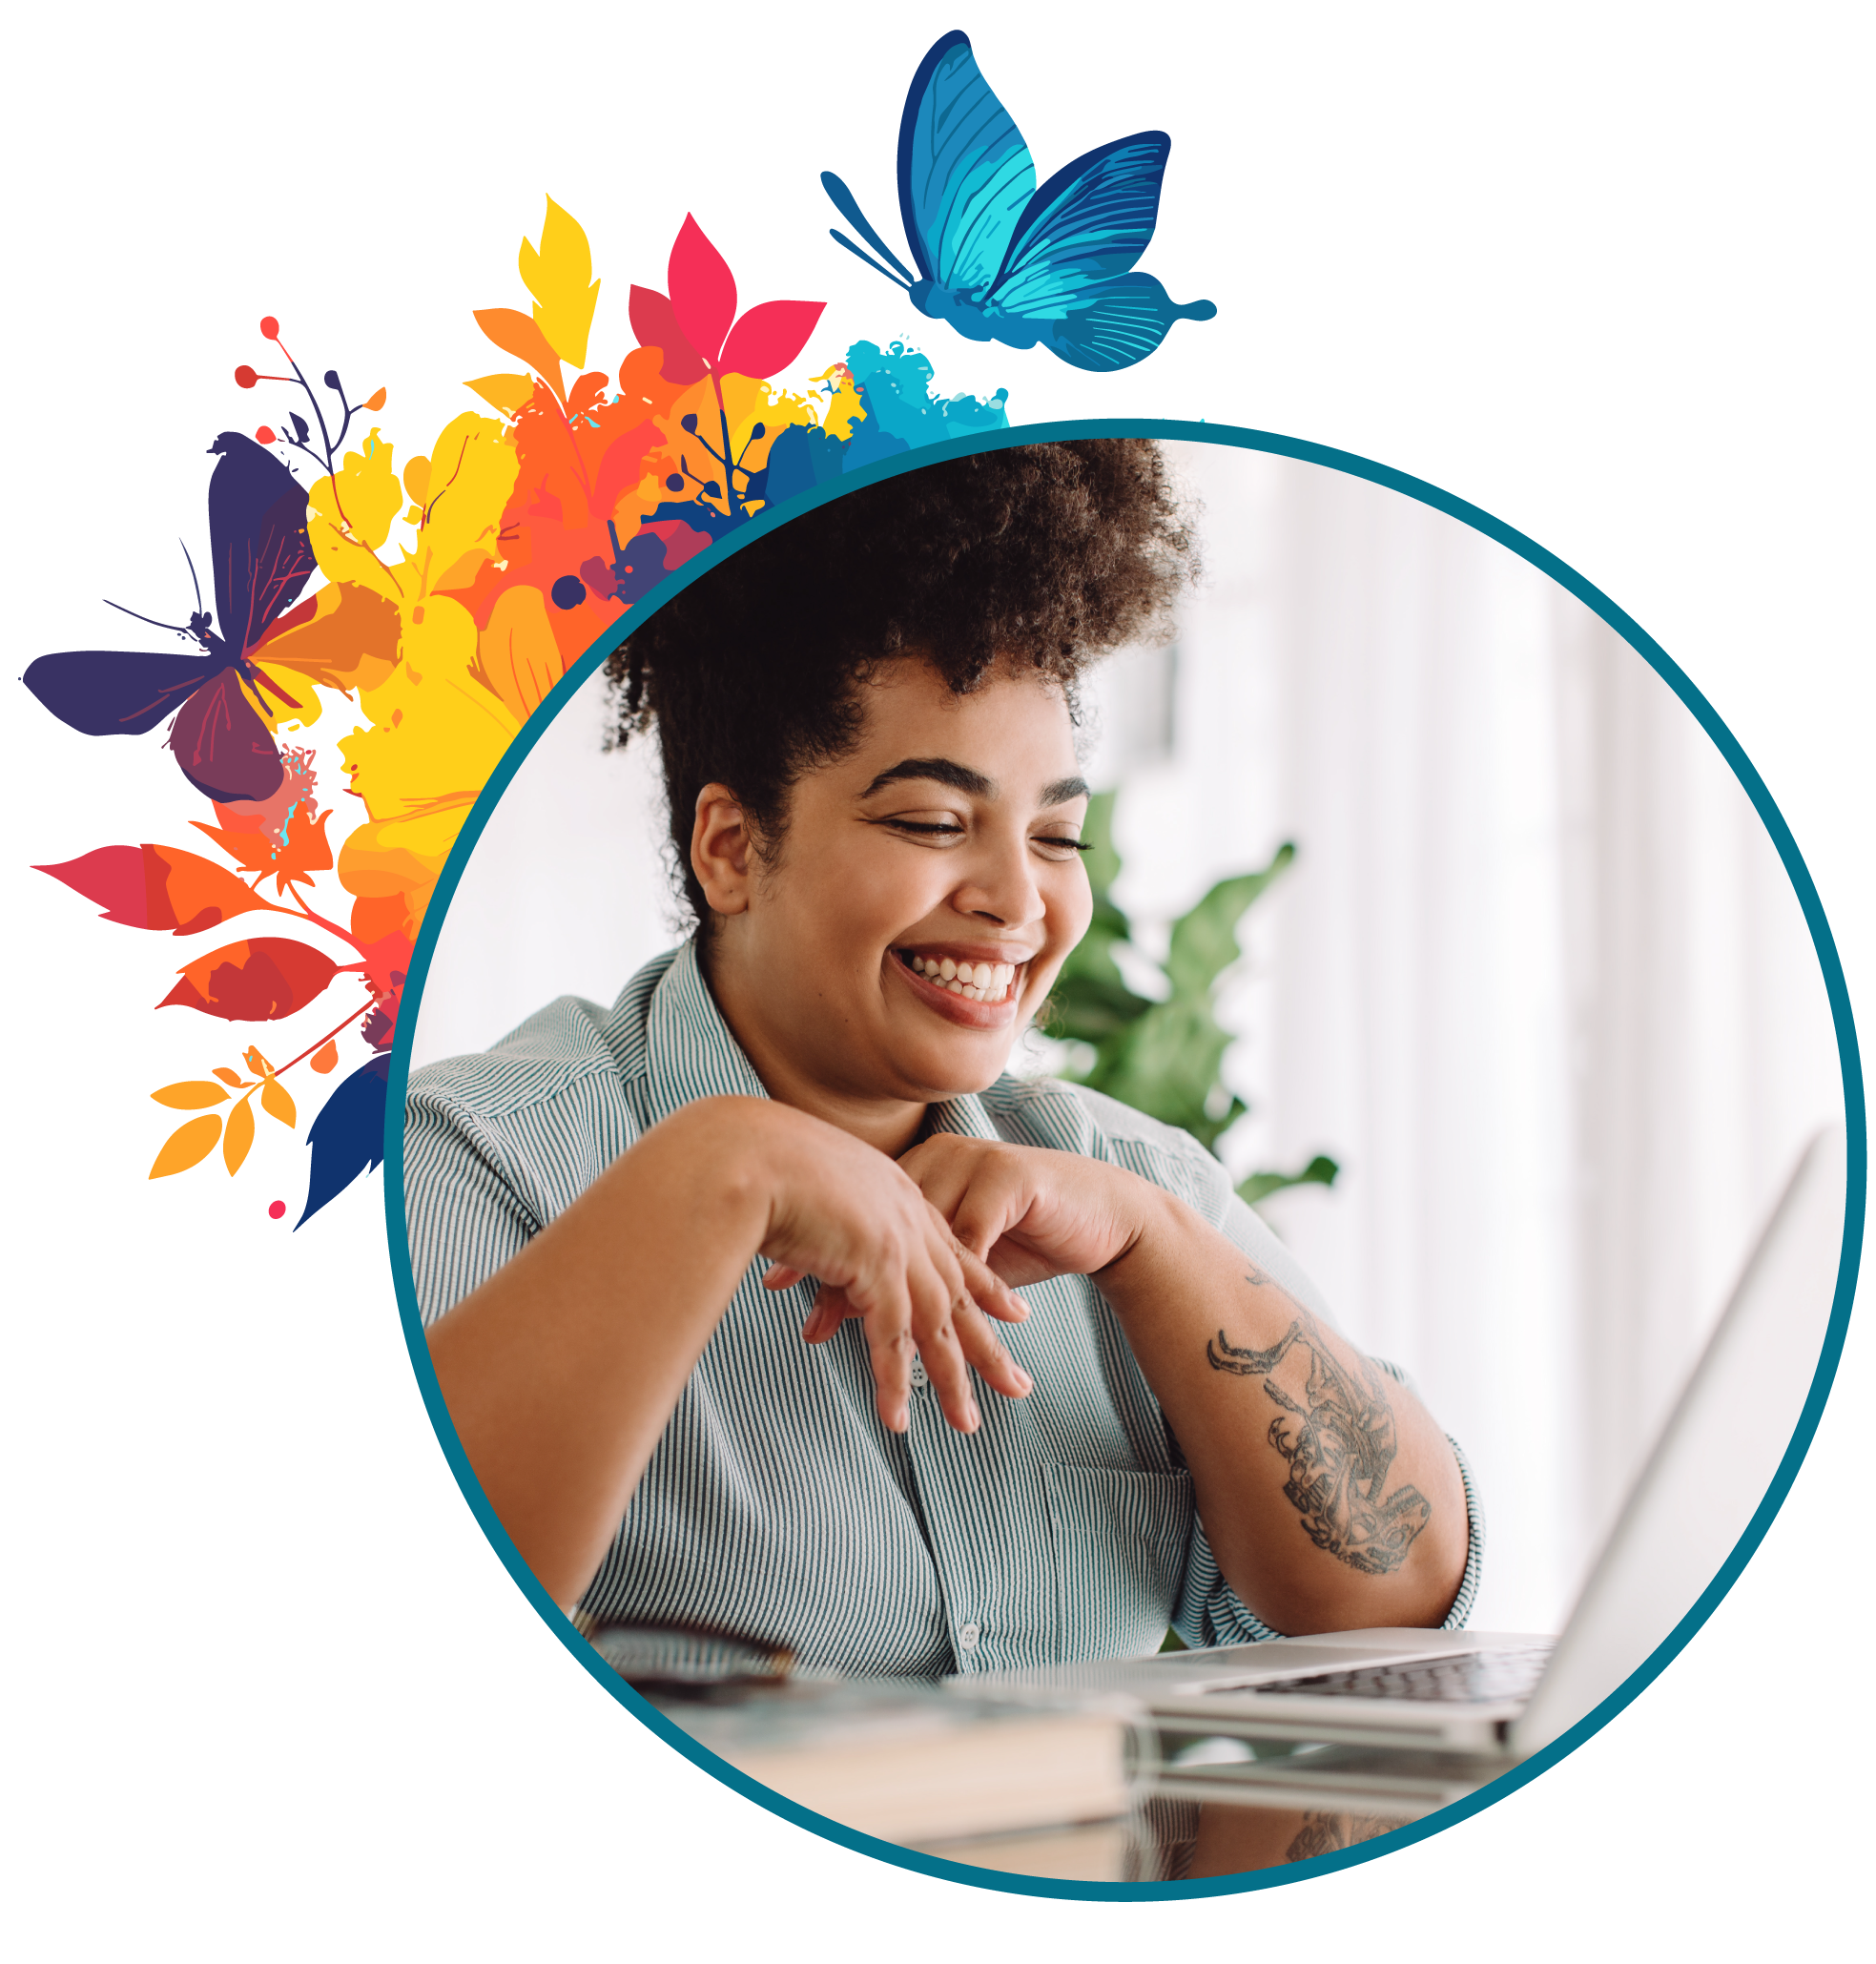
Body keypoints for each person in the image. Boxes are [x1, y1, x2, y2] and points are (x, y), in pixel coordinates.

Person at [406, 440, 1481, 1680]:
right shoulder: (478, 1161)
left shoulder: (1120, 1180)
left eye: (1058, 833)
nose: (1018, 899)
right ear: (731, 846)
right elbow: (381, 1632)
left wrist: (1159, 1252)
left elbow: (1396, 1605)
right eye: (930, 821)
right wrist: (719, 1167)